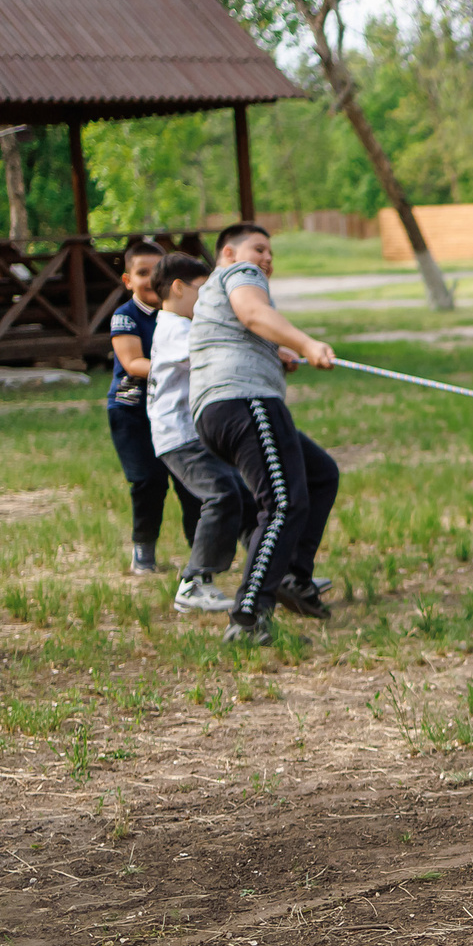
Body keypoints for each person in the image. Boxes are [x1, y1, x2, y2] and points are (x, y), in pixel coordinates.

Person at [189, 223, 340, 646]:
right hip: (244, 401)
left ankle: (291, 574)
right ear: (228, 254)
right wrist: (307, 343)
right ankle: (249, 616)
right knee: (282, 503)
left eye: (271, 253)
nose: (266, 259)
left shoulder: (215, 292)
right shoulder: (240, 274)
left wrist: (278, 352)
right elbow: (252, 313)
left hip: (221, 409)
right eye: (258, 249)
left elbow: (242, 329)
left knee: (320, 474)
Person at [146, 253, 251, 616]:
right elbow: (212, 353)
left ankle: (271, 570)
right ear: (178, 288)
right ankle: (194, 583)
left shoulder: (178, 325)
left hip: (193, 434)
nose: (208, 300)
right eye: (203, 291)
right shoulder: (176, 329)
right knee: (222, 494)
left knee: (242, 494)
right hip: (178, 435)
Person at [105, 241, 198, 575]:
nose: (150, 279)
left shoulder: (182, 313)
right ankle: (143, 550)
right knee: (148, 481)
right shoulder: (126, 317)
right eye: (142, 272)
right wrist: (184, 363)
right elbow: (132, 362)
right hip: (133, 412)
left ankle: (202, 552)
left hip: (176, 409)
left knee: (193, 482)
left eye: (157, 271)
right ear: (127, 280)